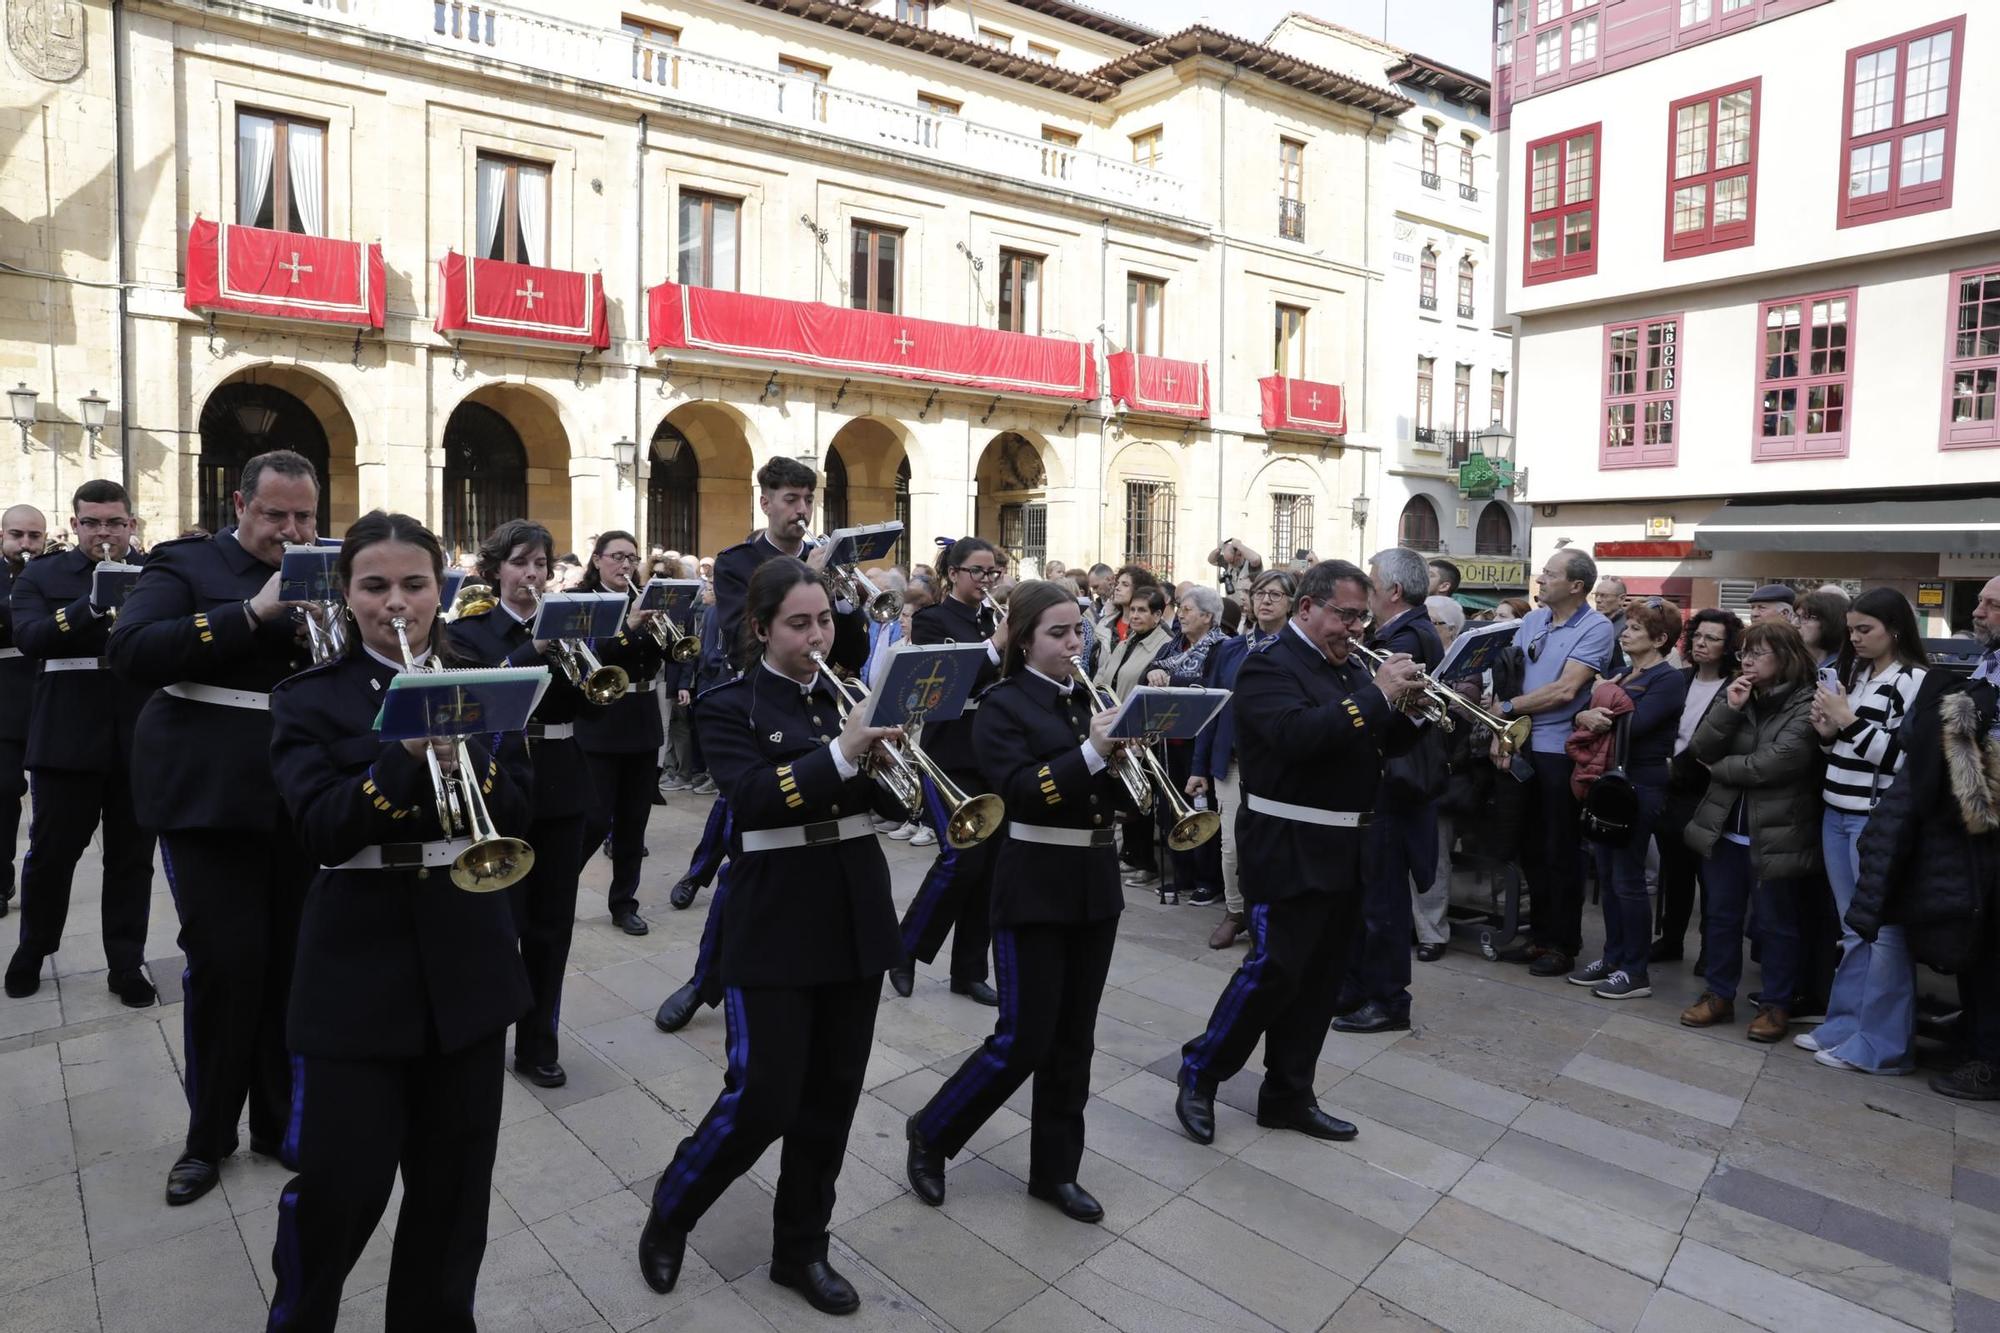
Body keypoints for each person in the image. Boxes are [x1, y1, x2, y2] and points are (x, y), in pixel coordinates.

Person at [264, 510, 533, 1331]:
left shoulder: (482, 678)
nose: (397, 603)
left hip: (467, 965)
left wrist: (474, 759)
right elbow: (322, 828)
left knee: (454, 1204)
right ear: (347, 595)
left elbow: (524, 806)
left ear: (439, 591)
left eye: (414, 584)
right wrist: (405, 754)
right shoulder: (308, 698)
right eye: (375, 585)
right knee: (340, 1193)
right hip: (357, 969)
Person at [637, 557, 904, 1316]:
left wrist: (886, 758)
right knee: (761, 1098)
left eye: (823, 619)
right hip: (775, 919)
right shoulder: (731, 703)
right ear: (761, 628)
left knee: (832, 1098)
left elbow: (883, 798)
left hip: (853, 914)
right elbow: (753, 800)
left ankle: (801, 1247)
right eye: (799, 622)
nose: (817, 634)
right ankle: (673, 1209)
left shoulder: (842, 695)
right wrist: (845, 753)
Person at [107, 448, 321, 1206]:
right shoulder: (184, 564)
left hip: (299, 792)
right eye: (276, 515)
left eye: (304, 515)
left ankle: (276, 1121)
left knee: (291, 962)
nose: (291, 530)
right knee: (229, 966)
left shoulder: (326, 567)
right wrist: (251, 614)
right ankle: (207, 1137)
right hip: (209, 797)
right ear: (240, 505)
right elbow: (129, 649)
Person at [905, 580, 1134, 1222]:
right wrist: (1093, 752)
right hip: (1033, 881)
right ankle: (932, 1131)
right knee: (1022, 1038)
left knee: (1075, 1040)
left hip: (1094, 884)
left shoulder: (1096, 700)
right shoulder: (1003, 704)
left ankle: (1055, 1171)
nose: (1073, 643)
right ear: (1026, 639)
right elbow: (1018, 792)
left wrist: (1127, 761)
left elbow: (1113, 801)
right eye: (1058, 633)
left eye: (1078, 630)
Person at [1174, 560, 1421, 1146]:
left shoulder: (1346, 669)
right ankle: (1200, 1073)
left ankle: (1288, 1093)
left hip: (1348, 845)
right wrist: (1376, 696)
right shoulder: (1267, 665)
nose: (1355, 628)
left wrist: (1411, 709)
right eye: (1344, 615)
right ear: (1306, 607)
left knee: (1320, 980)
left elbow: (1381, 739)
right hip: (1287, 844)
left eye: (1362, 616)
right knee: (1272, 972)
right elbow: (1296, 736)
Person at [658, 463, 876, 1034]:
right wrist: (808, 578)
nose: (800, 510)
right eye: (789, 499)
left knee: (743, 852)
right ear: (766, 502)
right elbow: (735, 636)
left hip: (812, 713)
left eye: (807, 499)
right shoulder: (735, 563)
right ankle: (704, 980)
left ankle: (707, 954)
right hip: (752, 717)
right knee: (738, 858)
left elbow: (847, 647)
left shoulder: (826, 568)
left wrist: (844, 602)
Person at [448, 518, 597, 1089]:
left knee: (552, 925)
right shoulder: (470, 630)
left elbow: (597, 709)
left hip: (560, 783)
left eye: (541, 564)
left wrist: (584, 660)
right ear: (495, 570)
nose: (532, 574)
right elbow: (475, 699)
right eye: (520, 563)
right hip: (497, 785)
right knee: (495, 925)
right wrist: (530, 651)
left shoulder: (567, 629)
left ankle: (538, 1045)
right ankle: (483, 1037)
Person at [3, 481, 157, 1006]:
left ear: (130, 524)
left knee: (132, 858)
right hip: (67, 731)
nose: (103, 532)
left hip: (138, 731)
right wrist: (91, 605)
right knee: (51, 854)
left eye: (114, 522)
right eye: (92, 523)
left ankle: (126, 961)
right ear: (74, 526)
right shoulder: (43, 573)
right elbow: (32, 638)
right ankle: (33, 949)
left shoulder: (156, 575)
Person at [1848, 577, 2000, 1099]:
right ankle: (1977, 1041)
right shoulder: (1988, 667)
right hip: (1967, 833)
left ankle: (1988, 1060)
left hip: (1985, 831)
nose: (1977, 612)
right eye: (1979, 601)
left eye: (1990, 605)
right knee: (1973, 946)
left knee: (1991, 952)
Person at [1797, 588, 1926, 1073]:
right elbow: (1848, 753)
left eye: (1864, 629)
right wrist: (1829, 735)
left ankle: (1882, 1043)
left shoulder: (1915, 681)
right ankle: (1846, 1023)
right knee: (1852, 929)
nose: (1855, 638)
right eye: (1851, 629)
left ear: (1894, 628)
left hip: (1876, 818)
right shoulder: (1859, 675)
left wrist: (1845, 723)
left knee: (1884, 933)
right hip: (1837, 810)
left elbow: (1898, 760)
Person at [1678, 620, 1823, 1042]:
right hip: (1725, 829)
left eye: (1758, 653)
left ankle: (1776, 1005)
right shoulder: (1739, 694)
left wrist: (1720, 771)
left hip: (1777, 832)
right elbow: (1700, 748)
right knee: (1719, 917)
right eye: (1744, 652)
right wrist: (1730, 707)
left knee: (1775, 923)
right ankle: (1718, 995)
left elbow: (1778, 764)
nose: (1747, 660)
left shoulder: (1806, 700)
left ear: (1785, 657)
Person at [888, 537, 1007, 1002]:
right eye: (978, 572)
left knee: (991, 866)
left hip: (994, 750)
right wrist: (997, 645)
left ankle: (969, 970)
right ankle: (906, 946)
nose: (986, 580)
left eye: (992, 572)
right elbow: (950, 682)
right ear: (953, 573)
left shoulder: (992, 618)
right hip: (949, 752)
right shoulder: (933, 620)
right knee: (961, 857)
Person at [1335, 547, 1444, 1033]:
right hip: (1390, 778)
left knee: (1383, 900)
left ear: (1393, 591)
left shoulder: (1406, 638)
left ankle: (1388, 999)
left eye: (1373, 584)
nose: (1367, 591)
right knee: (1367, 895)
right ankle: (1358, 986)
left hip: (1393, 782)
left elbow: (1388, 710)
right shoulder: (1406, 631)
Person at [1493, 550, 1615, 977]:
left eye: (1550, 574)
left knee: (1559, 849)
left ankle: (1563, 943)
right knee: (1528, 846)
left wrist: (1507, 707)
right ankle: (1539, 936)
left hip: (1558, 752)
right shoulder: (1532, 620)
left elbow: (1566, 691)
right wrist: (1501, 731)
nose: (1540, 579)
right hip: (1521, 748)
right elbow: (1508, 673)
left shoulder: (1596, 627)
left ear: (1576, 586)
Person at [1567, 599, 1686, 999]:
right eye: (1629, 625)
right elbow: (1583, 714)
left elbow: (1636, 722)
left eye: (1636, 628)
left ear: (1660, 639)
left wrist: (1598, 707)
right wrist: (1586, 714)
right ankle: (1613, 956)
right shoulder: (1618, 675)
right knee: (1609, 876)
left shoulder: (1668, 680)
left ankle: (1636, 970)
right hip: (1607, 785)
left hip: (1639, 787)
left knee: (1629, 879)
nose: (1626, 632)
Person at [1191, 570, 1293, 949]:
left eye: (1276, 595)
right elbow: (1210, 710)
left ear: (1292, 603)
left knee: (1273, 845)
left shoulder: (1296, 649)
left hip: (1278, 765)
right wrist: (1199, 768)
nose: (1265, 601)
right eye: (1260, 593)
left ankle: (1269, 915)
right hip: (1231, 762)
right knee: (1231, 846)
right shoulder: (1229, 649)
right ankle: (1236, 912)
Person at [573, 530, 667, 935]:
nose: (626, 565)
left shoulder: (645, 597)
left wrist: (665, 625)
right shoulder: (583, 601)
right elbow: (589, 658)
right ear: (597, 560)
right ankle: (556, 883)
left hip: (642, 718)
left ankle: (624, 903)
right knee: (594, 820)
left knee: (634, 823)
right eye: (617, 557)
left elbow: (660, 654)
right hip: (601, 719)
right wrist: (628, 626)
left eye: (632, 558)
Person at [1652, 610, 1740, 965]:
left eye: (1713, 638)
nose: (1702, 643)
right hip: (1669, 788)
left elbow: (1720, 740)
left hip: (1706, 790)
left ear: (1728, 646)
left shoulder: (1734, 687)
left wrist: (1680, 767)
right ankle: (1671, 940)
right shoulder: (1680, 678)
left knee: (1710, 878)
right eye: (1698, 636)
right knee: (1674, 873)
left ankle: (1709, 951)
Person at [1144, 584, 1226, 905]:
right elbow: (1149, 671)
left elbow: (1210, 686)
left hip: (1199, 741)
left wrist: (1169, 680)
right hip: (1169, 738)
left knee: (1201, 808)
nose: (1180, 614)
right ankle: (1182, 874)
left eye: (1187, 609)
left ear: (1207, 616)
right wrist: (1153, 673)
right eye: (1180, 608)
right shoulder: (1173, 645)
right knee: (1170, 811)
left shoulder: (1222, 647)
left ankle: (1208, 878)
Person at [1095, 584, 1171, 892]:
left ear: (1157, 614)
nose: (1136, 615)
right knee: (1123, 798)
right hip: (1114, 726)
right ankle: (1129, 854)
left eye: (1143, 610)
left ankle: (1145, 863)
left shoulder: (1163, 644)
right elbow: (1107, 676)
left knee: (1141, 801)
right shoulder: (1128, 641)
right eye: (1133, 609)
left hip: (1140, 734)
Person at [0, 503, 47, 916]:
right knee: (3, 791)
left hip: (48, 694)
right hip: (5, 698)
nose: (26, 544)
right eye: (18, 535)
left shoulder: (54, 572)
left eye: (34, 536)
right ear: (3, 536)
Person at [1414, 595, 1465, 959]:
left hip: (1442, 771)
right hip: (1404, 769)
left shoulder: (1463, 667)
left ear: (1451, 631)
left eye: (1434, 623)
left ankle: (1432, 932)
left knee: (1434, 855)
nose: (1427, 629)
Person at [1797, 588, 1852, 672]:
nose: (1795, 624)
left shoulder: (1846, 668)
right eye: (1796, 616)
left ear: (1830, 621)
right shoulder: (1792, 662)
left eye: (1806, 617)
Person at [1593, 576, 1630, 676]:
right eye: (1596, 595)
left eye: (1604, 596)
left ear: (1621, 599)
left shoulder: (1629, 627)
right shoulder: (1592, 623)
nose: (1598, 600)